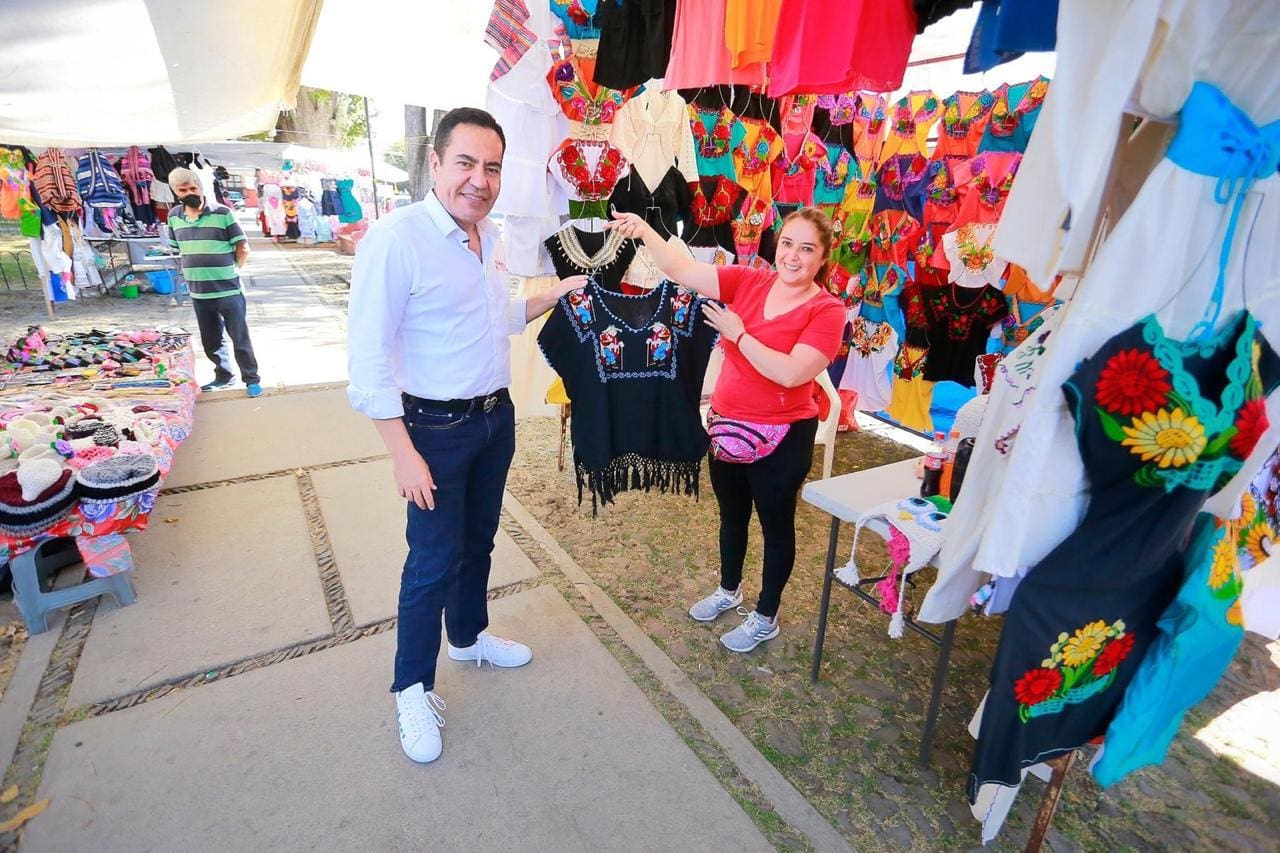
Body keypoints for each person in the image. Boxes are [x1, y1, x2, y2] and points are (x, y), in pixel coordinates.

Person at [346, 107, 586, 765]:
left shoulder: (490, 236)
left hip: (492, 420)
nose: (480, 180)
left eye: (492, 167)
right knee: (432, 561)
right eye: (466, 163)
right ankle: (411, 687)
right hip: (433, 430)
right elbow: (367, 361)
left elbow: (494, 314)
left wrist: (556, 292)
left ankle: (469, 636)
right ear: (435, 164)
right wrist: (403, 454)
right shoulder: (396, 240)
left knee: (478, 542)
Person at [607, 207, 845, 652]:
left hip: (782, 436)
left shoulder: (828, 311)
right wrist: (644, 231)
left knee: (776, 526)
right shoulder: (751, 281)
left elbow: (792, 373)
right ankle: (728, 589)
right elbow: (682, 269)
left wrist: (738, 334)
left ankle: (766, 615)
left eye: (806, 249)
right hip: (727, 426)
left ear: (822, 257)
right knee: (732, 516)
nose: (792, 256)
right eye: (787, 244)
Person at [165, 167, 262, 396]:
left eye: (193, 188)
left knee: (239, 337)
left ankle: (251, 379)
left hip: (228, 290)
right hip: (199, 291)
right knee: (211, 340)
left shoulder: (222, 213)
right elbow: (177, 248)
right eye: (183, 190)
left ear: (201, 187)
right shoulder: (174, 216)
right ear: (175, 192)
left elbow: (243, 247)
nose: (189, 193)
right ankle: (224, 376)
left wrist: (232, 270)